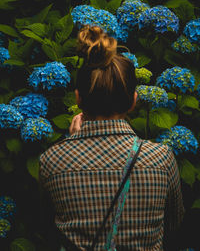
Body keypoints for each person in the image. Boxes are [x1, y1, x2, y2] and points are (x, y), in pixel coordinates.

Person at [39, 25, 185, 251]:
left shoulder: (52, 161)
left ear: (78, 98)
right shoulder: (161, 159)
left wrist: (72, 145)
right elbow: (174, 227)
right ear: (133, 101)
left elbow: (48, 227)